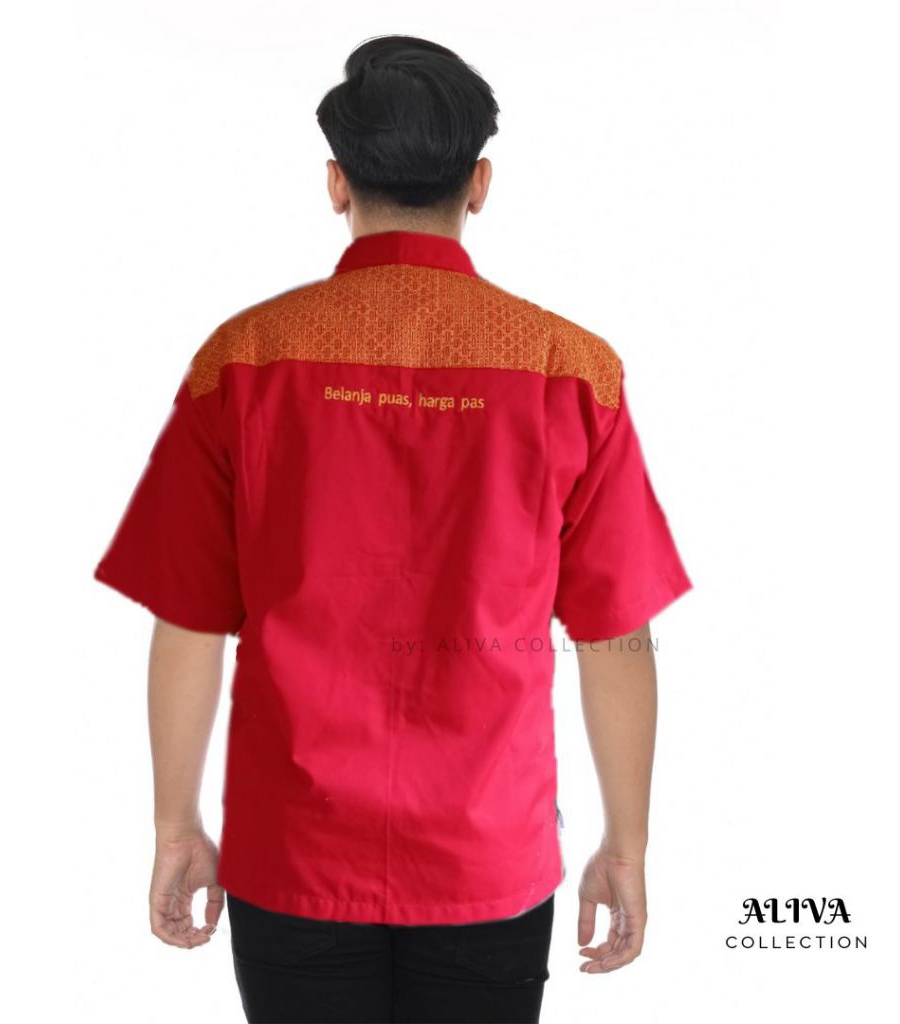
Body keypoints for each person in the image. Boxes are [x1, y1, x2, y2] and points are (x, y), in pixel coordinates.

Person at [93, 33, 691, 1024]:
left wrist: (175, 824)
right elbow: (616, 633)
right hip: (486, 856)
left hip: (293, 850)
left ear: (337, 181)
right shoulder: (569, 371)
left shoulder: (242, 362)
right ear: (479, 184)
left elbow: (189, 620)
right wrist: (626, 847)